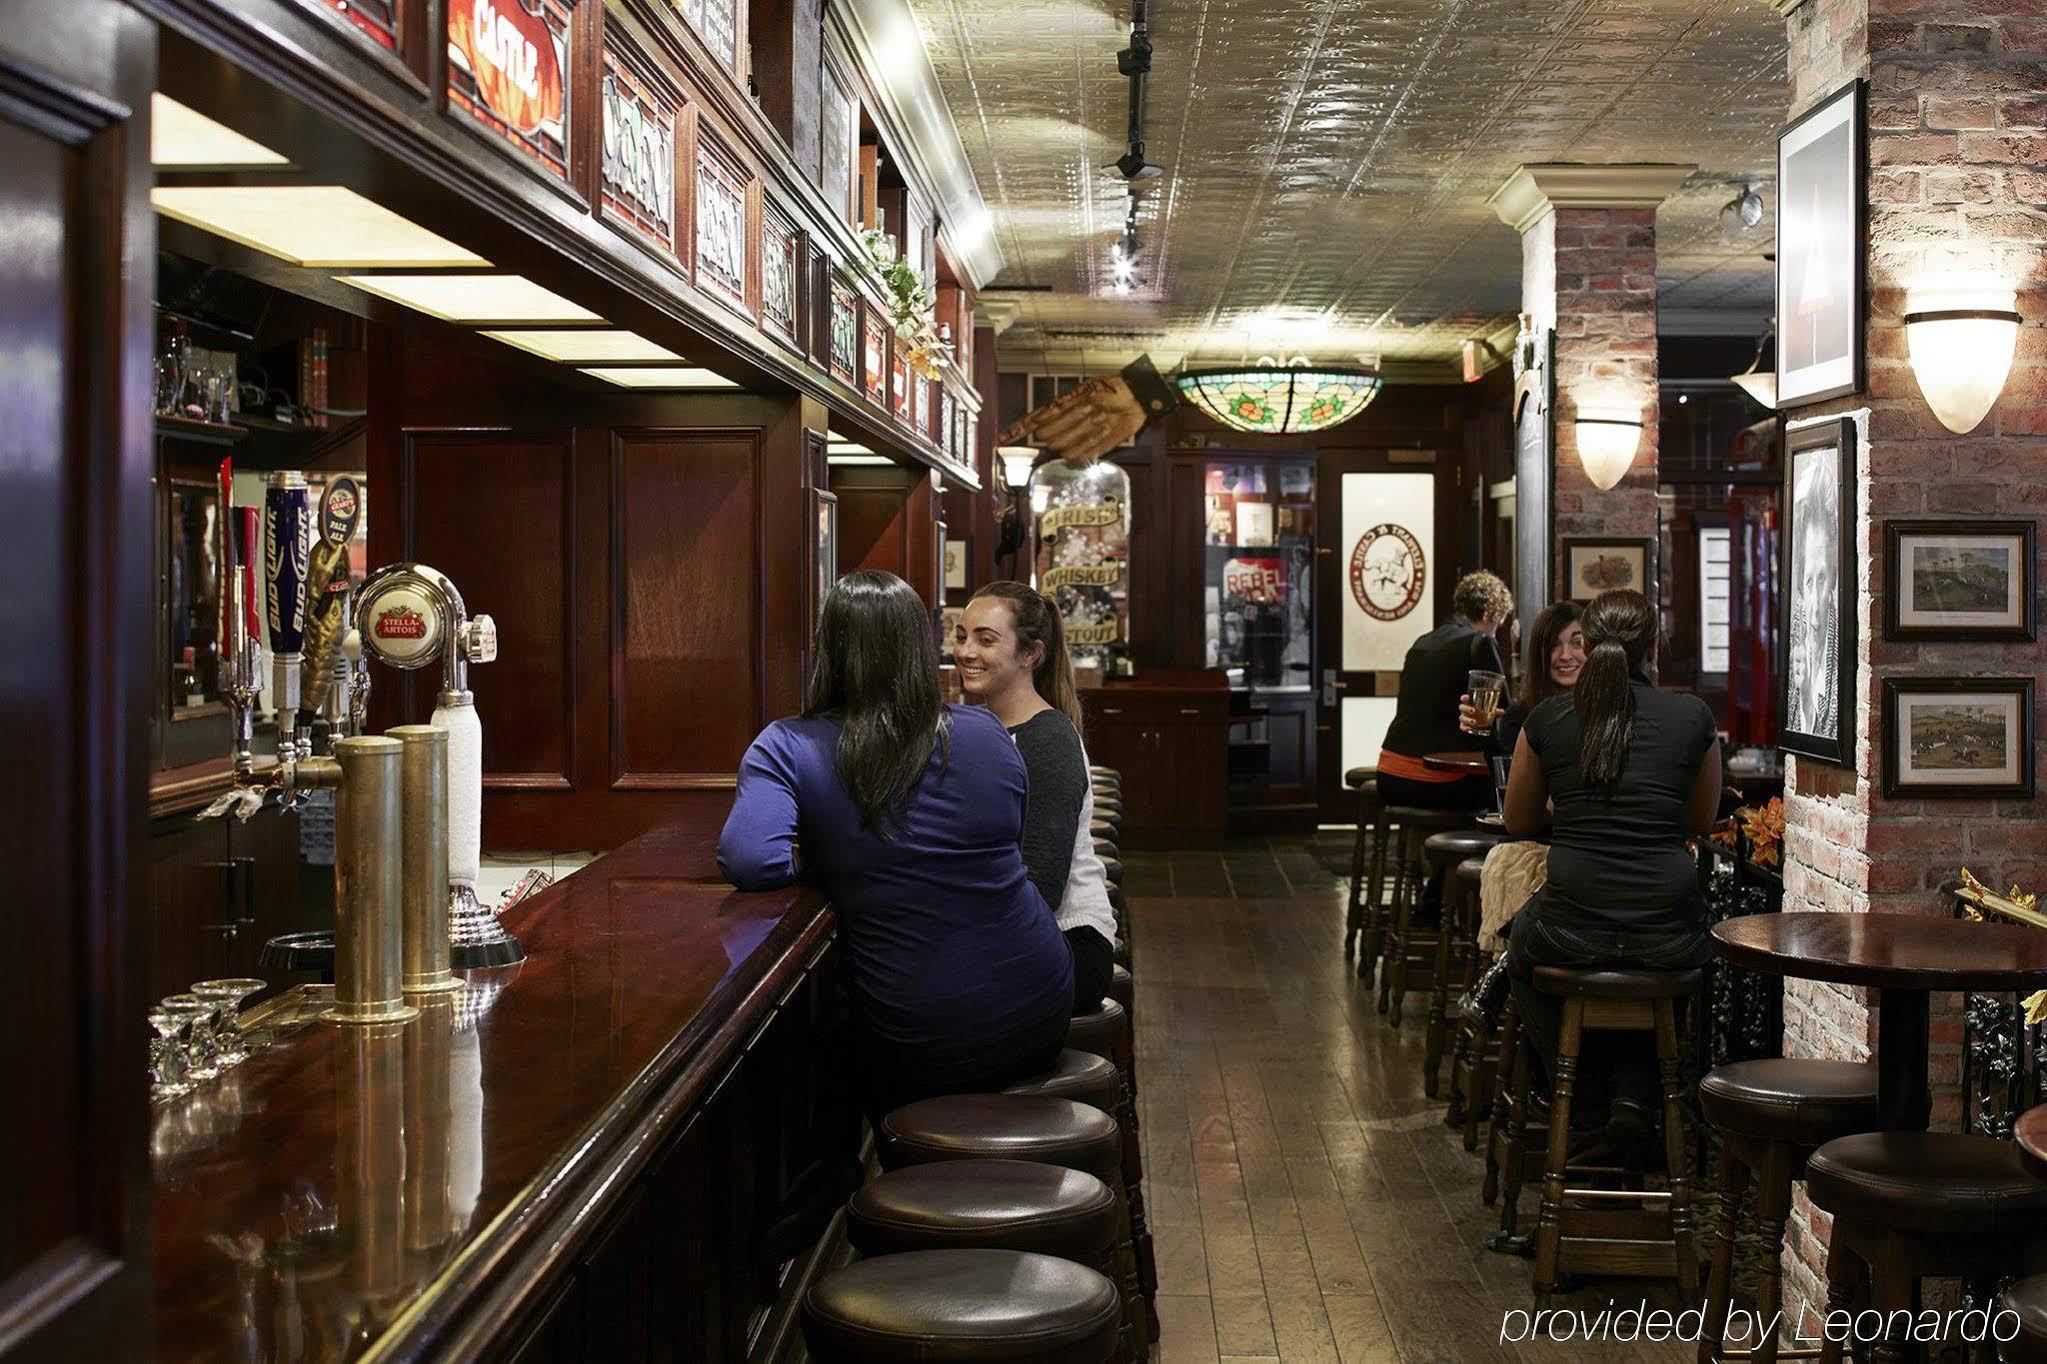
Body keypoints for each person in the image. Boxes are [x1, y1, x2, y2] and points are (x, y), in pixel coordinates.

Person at [718, 570, 1074, 1113]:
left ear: (828, 650)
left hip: (928, 1038)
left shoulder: (788, 744)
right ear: (919, 647)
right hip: (1045, 1001)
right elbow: (1008, 841)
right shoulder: (986, 732)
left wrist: (828, 854)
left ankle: (859, 1189)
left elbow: (751, 860)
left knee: (805, 1071)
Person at [1501, 589, 1721, 1167]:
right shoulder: (1694, 716)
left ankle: (1587, 1106)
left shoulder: (1549, 719)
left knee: (1518, 948)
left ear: (1590, 644)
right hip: (1670, 932)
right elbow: (1700, 820)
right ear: (1653, 647)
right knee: (1663, 972)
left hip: (1568, 925)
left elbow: (1517, 820)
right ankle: (1636, 1100)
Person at [955, 580, 1118, 1013]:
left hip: (1068, 943)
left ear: (1030, 654)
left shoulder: (1047, 740)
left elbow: (1039, 886)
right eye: (962, 636)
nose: (966, 651)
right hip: (1018, 929)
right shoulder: (978, 727)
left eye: (986, 640)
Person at [1378, 570, 1513, 812]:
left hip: (1390, 774)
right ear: (1487, 614)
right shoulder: (1480, 642)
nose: (1495, 633)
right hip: (1438, 781)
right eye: (1497, 626)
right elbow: (1504, 716)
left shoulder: (1422, 642)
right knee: (1512, 797)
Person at [1460, 599, 1585, 758]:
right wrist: (1482, 733)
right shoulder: (1520, 715)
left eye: (1577, 643)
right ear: (1538, 653)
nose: (1565, 655)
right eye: (1553, 645)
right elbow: (1506, 778)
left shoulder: (1608, 711)